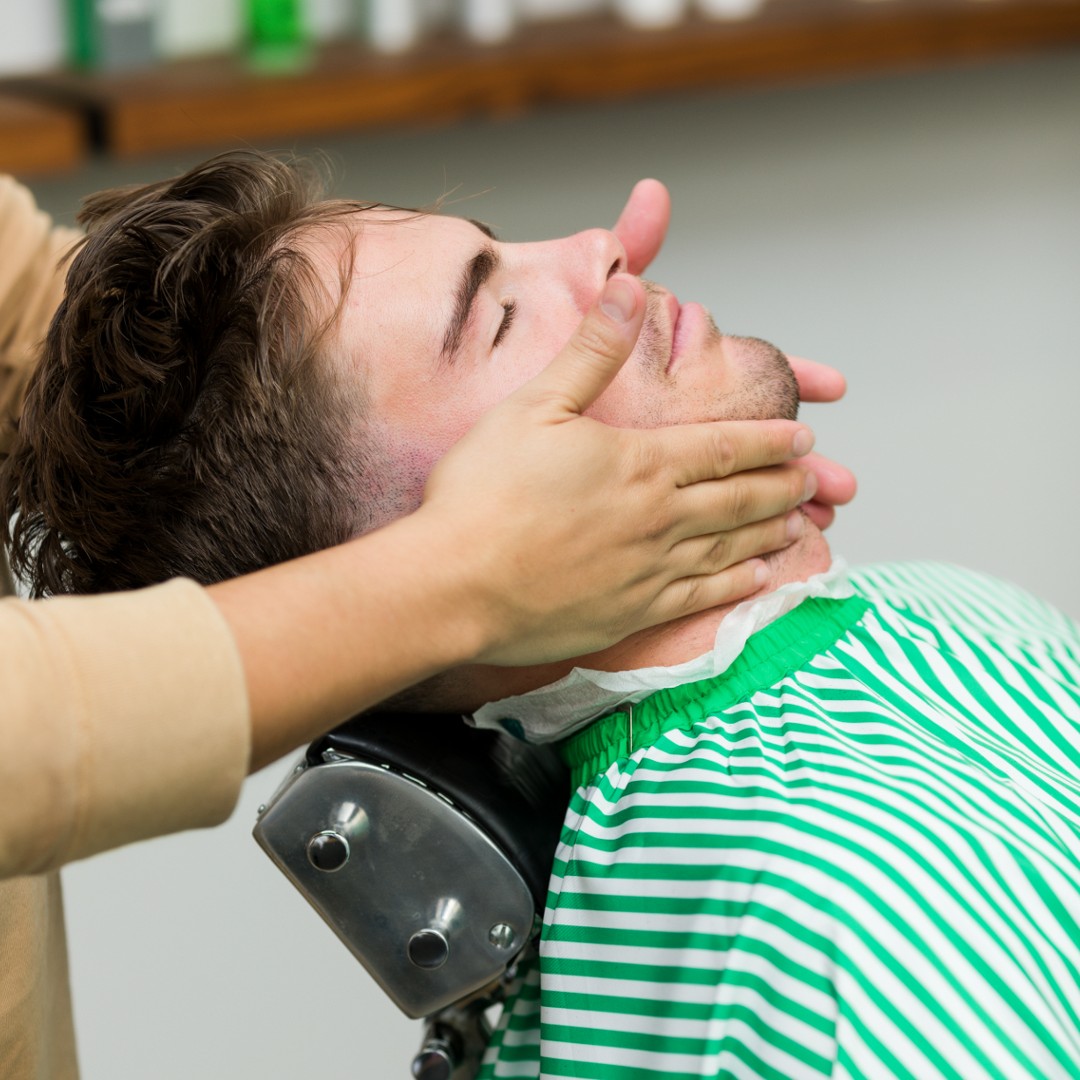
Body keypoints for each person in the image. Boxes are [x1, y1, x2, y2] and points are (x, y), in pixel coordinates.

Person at [6, 152, 1078, 1079]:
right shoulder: (819, 930)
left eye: (502, 244)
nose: (601, 246)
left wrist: (663, 384)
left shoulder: (955, 624)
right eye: (501, 314)